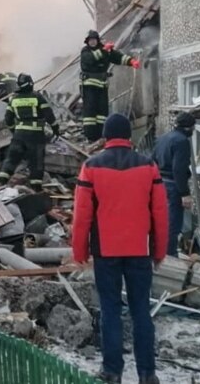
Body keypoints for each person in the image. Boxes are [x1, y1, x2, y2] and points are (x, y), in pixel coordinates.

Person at [71, 113, 169, 384]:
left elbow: (82, 216)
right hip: (140, 250)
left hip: (106, 252)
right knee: (141, 312)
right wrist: (159, 252)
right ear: (129, 137)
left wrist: (79, 253)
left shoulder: (90, 167)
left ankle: (112, 372)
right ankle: (147, 374)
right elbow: (160, 214)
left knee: (111, 311)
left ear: (105, 136)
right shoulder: (149, 167)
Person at [0, 73, 59, 191]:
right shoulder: (37, 97)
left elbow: (8, 119)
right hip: (35, 135)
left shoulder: (13, 99)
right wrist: (55, 129)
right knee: (36, 161)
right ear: (30, 84)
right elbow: (49, 115)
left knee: (12, 158)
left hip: (19, 135)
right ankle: (36, 187)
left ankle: (1, 182)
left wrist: (14, 130)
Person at [79, 30, 141, 142]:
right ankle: (90, 136)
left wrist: (131, 61)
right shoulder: (85, 51)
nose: (92, 42)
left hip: (102, 85)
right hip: (89, 86)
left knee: (102, 111)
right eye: (90, 40)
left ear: (97, 40)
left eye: (94, 40)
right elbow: (91, 59)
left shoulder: (105, 50)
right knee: (90, 112)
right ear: (87, 42)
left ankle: (101, 134)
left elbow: (118, 57)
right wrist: (104, 50)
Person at [153, 112, 196, 256]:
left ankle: (158, 253)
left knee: (160, 221)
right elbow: (179, 169)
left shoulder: (162, 139)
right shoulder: (182, 141)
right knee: (173, 224)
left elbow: (152, 161)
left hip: (160, 184)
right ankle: (169, 256)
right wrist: (185, 193)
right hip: (174, 186)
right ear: (189, 128)